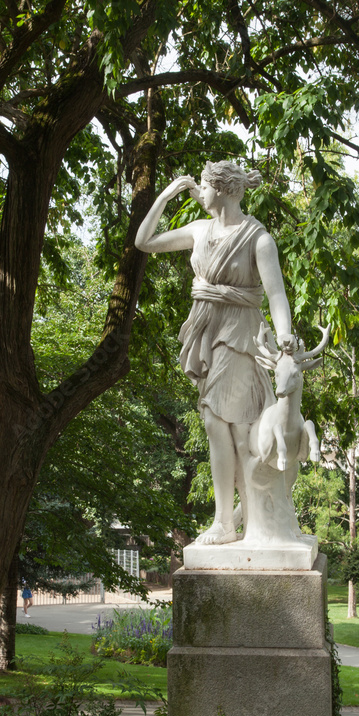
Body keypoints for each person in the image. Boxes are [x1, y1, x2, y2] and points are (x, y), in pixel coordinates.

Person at [135, 161, 296, 545]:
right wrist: (164, 196)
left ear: (222, 190)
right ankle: (234, 519)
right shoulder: (199, 230)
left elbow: (276, 295)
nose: (198, 192)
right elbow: (144, 241)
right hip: (208, 332)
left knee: (236, 430)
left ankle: (235, 520)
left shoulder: (258, 238)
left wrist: (286, 341)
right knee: (222, 429)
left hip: (239, 335)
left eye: (203, 186)